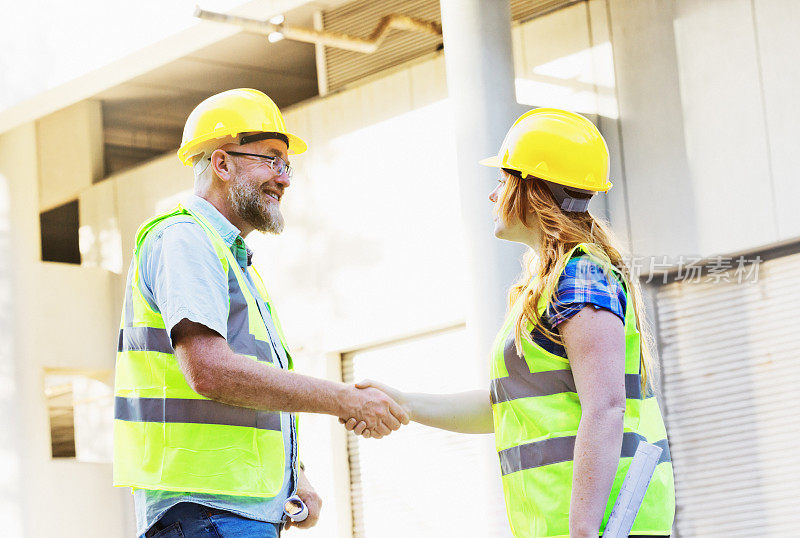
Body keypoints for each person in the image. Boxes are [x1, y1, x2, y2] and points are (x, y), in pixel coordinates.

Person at [343, 108, 676, 537]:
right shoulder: (555, 281)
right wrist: (405, 404)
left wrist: (582, 531)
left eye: (503, 181)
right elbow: (506, 406)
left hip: (607, 524)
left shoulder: (580, 277)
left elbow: (606, 407)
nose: (492, 195)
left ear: (533, 190)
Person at [113, 88, 409, 538]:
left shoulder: (229, 256)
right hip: (203, 513)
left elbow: (247, 388)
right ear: (222, 163)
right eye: (271, 159)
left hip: (227, 515)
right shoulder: (185, 240)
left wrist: (295, 475)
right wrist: (344, 400)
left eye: (286, 165)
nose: (284, 178)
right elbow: (211, 372)